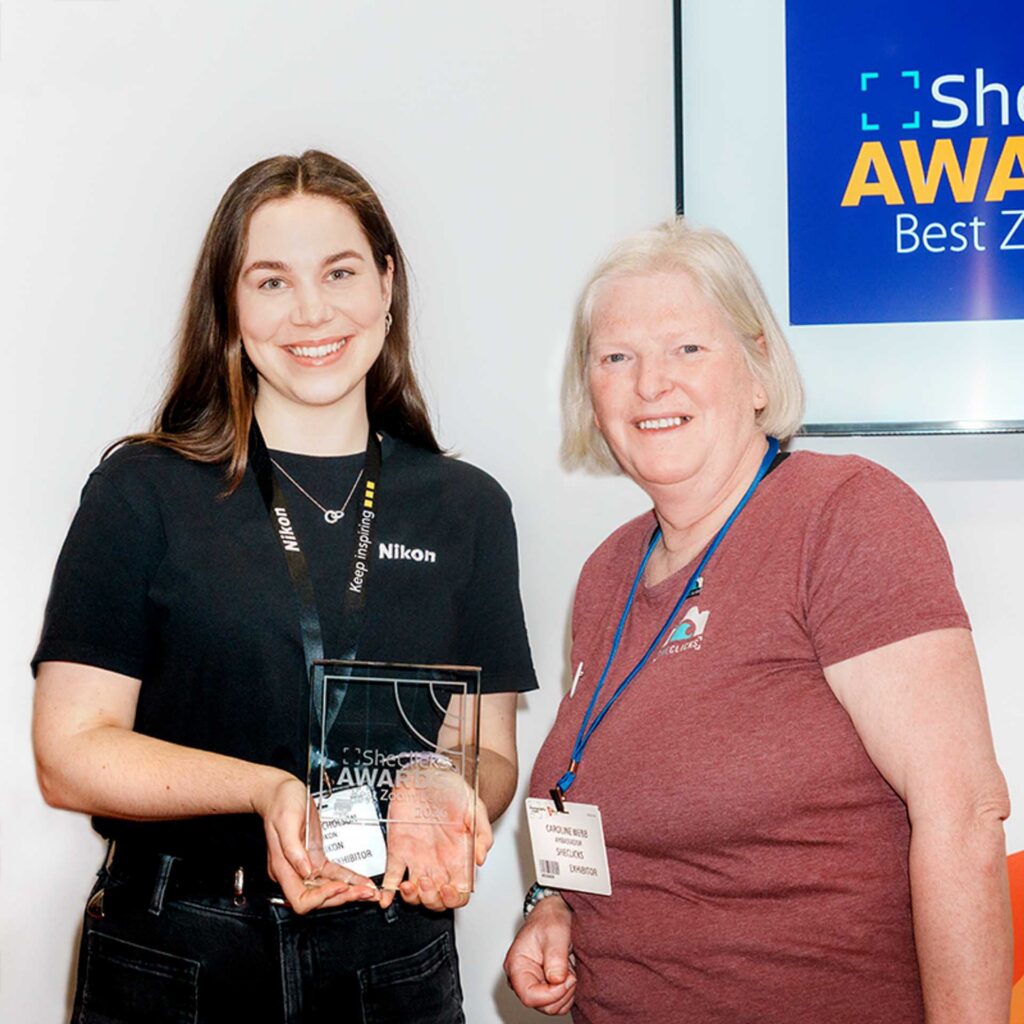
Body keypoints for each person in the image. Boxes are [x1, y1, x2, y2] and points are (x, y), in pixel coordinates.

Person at [32, 150, 537, 1024]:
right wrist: (266, 789)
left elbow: (486, 754)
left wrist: (441, 790)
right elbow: (70, 753)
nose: (311, 310)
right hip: (179, 948)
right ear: (229, 304)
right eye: (270, 281)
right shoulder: (143, 491)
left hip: (392, 951)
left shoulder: (469, 509)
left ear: (386, 284)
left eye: (340, 271)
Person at [504, 219, 1012, 1023]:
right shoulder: (609, 572)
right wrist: (558, 905)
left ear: (758, 374)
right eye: (616, 358)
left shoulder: (843, 516)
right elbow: (616, 803)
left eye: (687, 349)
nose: (649, 385)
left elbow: (964, 813)